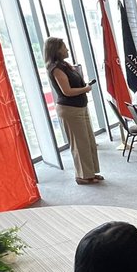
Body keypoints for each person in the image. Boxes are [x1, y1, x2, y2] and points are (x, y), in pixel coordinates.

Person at [45, 37, 102, 184]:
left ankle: (91, 172)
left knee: (88, 141)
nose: (67, 49)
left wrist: (84, 87)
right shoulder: (56, 68)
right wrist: (86, 89)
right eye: (64, 47)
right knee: (79, 144)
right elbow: (67, 91)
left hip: (80, 107)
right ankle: (82, 176)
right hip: (70, 110)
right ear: (56, 50)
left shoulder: (65, 65)